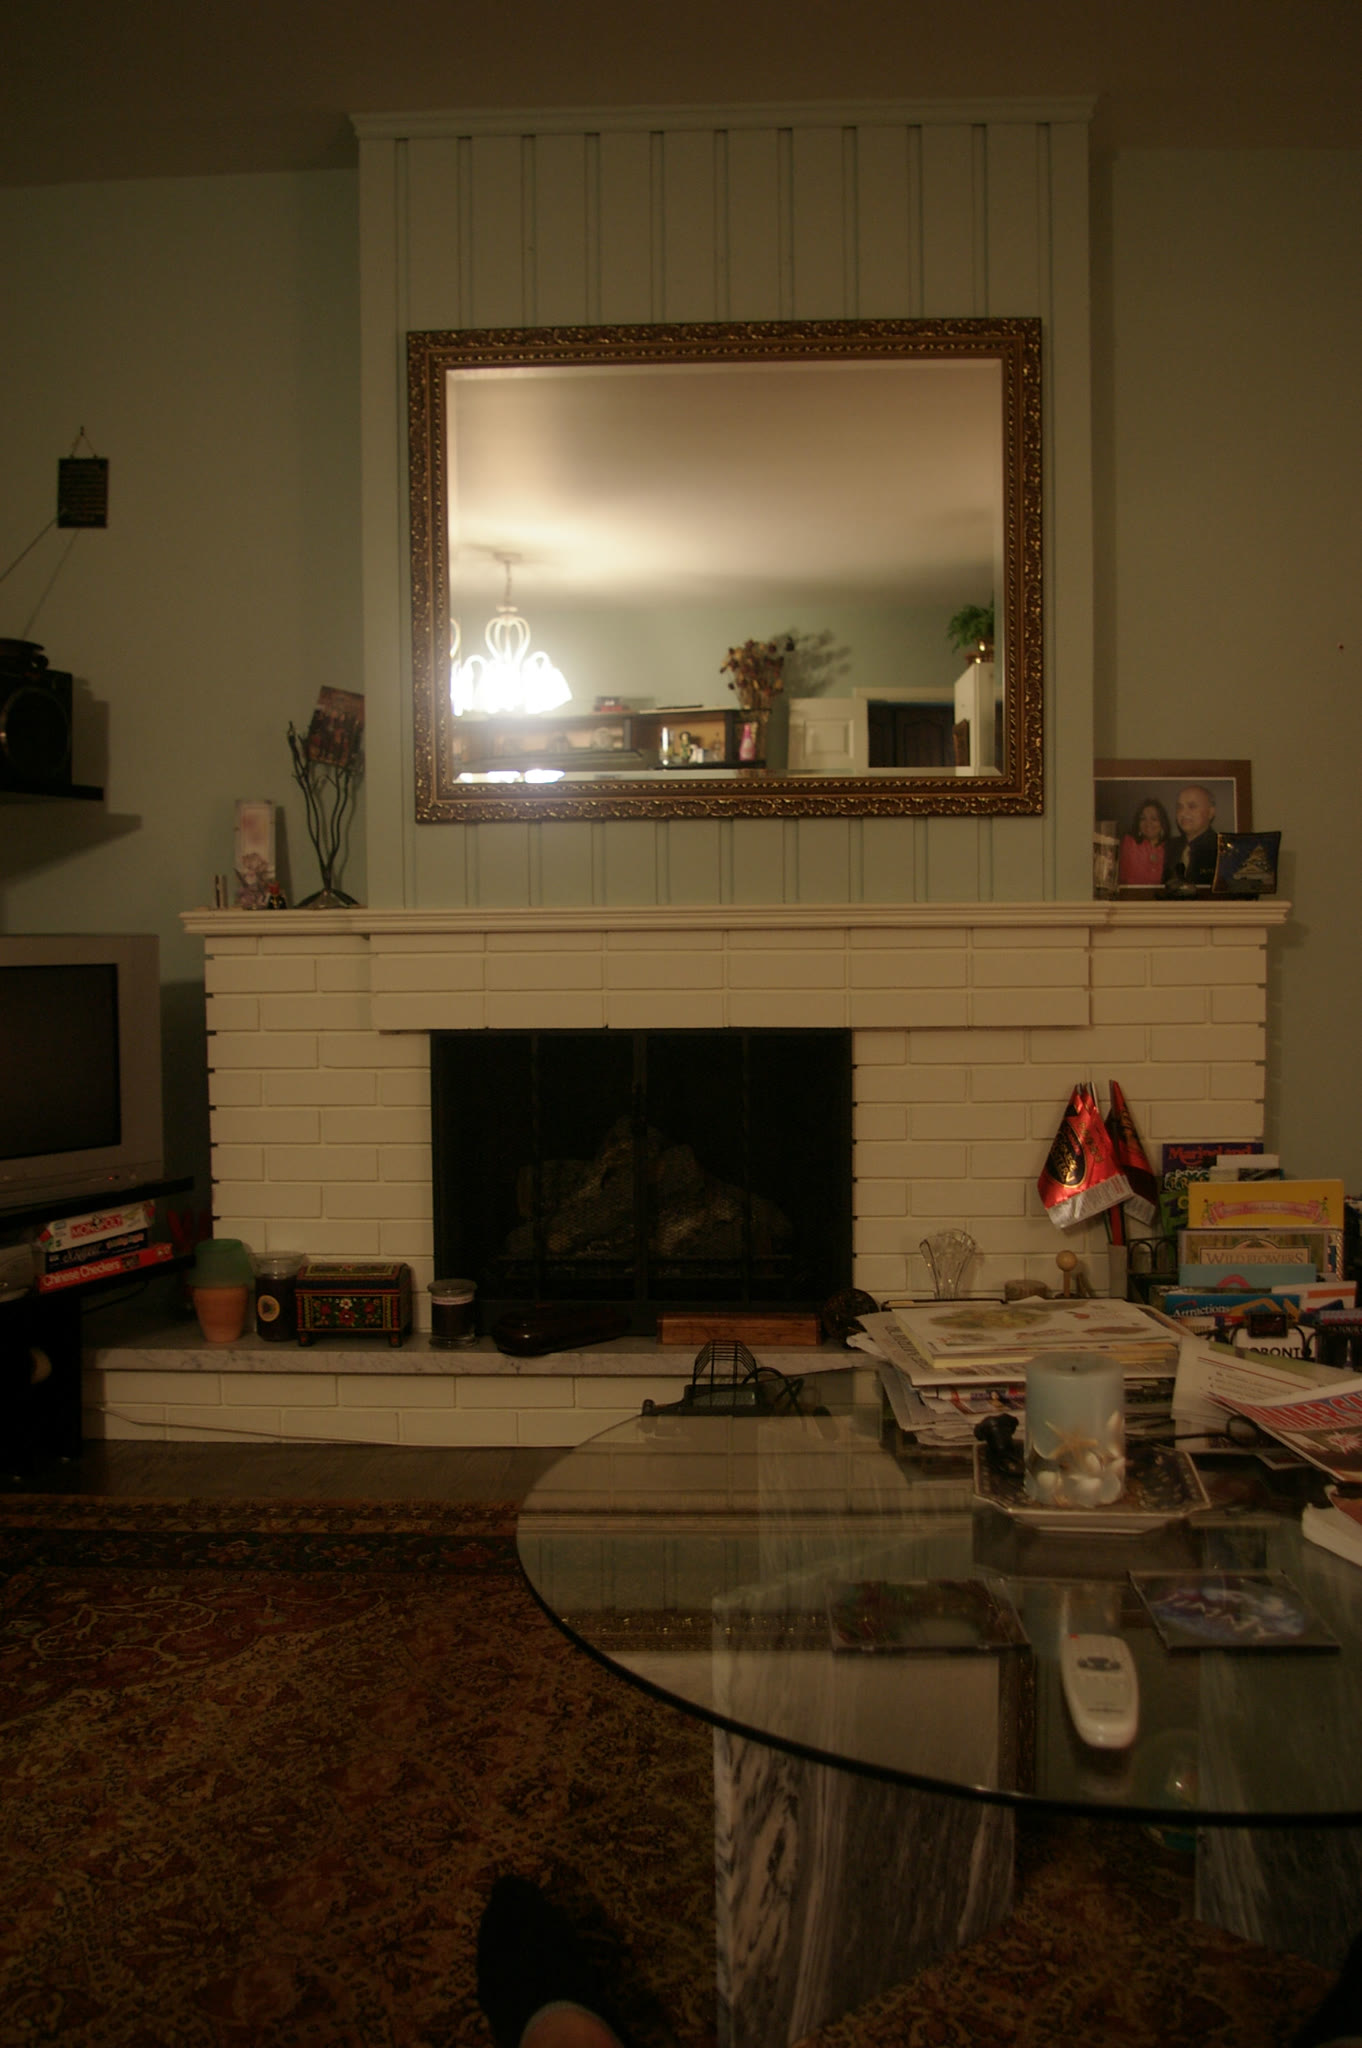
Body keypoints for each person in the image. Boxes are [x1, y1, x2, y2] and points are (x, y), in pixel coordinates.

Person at [1166, 783, 1219, 886]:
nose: (1183, 813)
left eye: (1192, 806)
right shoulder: (1168, 847)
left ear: (1210, 812)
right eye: (1179, 807)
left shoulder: (1221, 850)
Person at [1118, 796, 1170, 886]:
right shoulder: (1129, 844)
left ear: (1162, 824)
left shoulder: (1171, 849)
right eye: (1143, 818)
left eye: (1154, 819)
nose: (1148, 823)